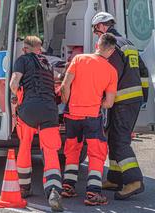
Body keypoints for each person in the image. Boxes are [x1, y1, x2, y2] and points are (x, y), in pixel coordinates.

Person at [92, 12, 149, 200]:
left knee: (120, 140)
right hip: (132, 99)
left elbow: (110, 74)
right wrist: (143, 96)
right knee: (115, 137)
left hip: (122, 100)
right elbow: (143, 71)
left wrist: (96, 95)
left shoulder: (113, 45)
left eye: (95, 30)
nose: (96, 35)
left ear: (101, 26)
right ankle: (115, 178)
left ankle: (134, 180)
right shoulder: (128, 44)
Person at [60, 33, 118, 206]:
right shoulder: (111, 71)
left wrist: (67, 102)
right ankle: (93, 193)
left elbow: (65, 86)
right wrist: (94, 102)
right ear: (112, 51)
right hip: (92, 116)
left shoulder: (79, 59)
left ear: (97, 45)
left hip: (72, 114)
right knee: (96, 152)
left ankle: (68, 186)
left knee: (72, 149)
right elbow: (108, 103)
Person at [10, 36, 64, 212]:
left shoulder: (22, 60)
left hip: (29, 110)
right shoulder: (48, 63)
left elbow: (13, 83)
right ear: (39, 49)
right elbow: (58, 79)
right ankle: (54, 189)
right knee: (50, 151)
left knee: (25, 146)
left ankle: (24, 187)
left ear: (25, 48)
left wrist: (15, 96)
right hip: (49, 110)